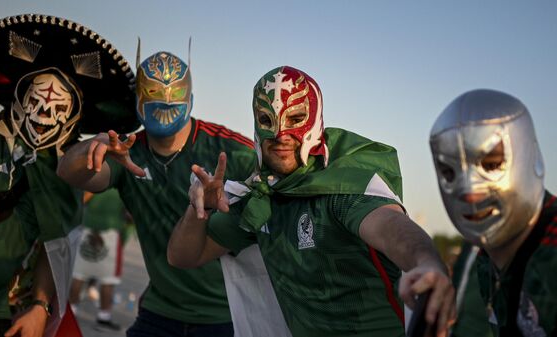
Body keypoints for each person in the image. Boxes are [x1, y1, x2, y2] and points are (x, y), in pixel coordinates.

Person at [167, 66, 456, 337]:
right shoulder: (260, 199)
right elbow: (183, 257)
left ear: (315, 122)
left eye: (295, 119)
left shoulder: (340, 186)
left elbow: (391, 225)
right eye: (268, 120)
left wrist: (427, 262)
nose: (280, 134)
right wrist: (196, 209)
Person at [0, 13, 137, 337]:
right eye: (37, 102)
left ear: (73, 117)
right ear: (20, 96)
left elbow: (55, 244)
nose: (42, 117)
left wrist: (40, 306)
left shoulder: (62, 167)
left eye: (55, 109)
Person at [57, 51, 258, 337]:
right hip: (160, 310)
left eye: (175, 91)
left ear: (189, 97)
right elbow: (69, 172)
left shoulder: (231, 150)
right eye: (153, 91)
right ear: (138, 97)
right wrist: (94, 146)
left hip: (228, 313)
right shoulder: (127, 151)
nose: (165, 100)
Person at [429, 89, 557, 336]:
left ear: (532, 158)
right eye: (449, 173)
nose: (469, 193)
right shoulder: (476, 252)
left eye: (491, 164)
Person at [69, 189, 130, 332]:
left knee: (80, 274)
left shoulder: (96, 178)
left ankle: (72, 311)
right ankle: (103, 316)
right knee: (107, 279)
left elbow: (81, 199)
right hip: (108, 232)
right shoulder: (123, 180)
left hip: (91, 229)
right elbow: (130, 212)